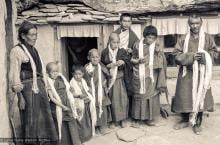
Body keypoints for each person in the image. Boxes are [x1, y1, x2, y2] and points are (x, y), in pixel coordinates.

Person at [8, 21, 58, 145]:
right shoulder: (16, 51)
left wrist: (47, 89)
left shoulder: (34, 50)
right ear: (23, 35)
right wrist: (20, 97)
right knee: (31, 120)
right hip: (27, 91)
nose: (35, 37)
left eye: (36, 34)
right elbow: (14, 75)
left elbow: (40, 71)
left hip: (38, 88)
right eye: (32, 35)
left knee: (44, 119)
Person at [172, 15, 218, 135]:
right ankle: (185, 119)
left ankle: (198, 122)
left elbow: (215, 53)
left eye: (197, 23)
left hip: (202, 73)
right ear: (189, 24)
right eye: (192, 23)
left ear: (201, 23)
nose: (195, 26)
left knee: (201, 95)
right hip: (186, 73)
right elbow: (176, 55)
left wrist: (205, 57)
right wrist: (191, 56)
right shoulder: (183, 38)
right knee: (184, 96)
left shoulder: (208, 38)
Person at [130, 25, 167, 128]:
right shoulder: (137, 45)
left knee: (151, 97)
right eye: (149, 37)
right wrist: (138, 61)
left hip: (151, 76)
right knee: (139, 97)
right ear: (144, 36)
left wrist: (158, 52)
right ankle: (137, 119)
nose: (151, 40)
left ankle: (149, 118)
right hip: (139, 75)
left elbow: (161, 60)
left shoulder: (156, 46)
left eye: (153, 38)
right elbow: (132, 59)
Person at [46, 61, 82, 145]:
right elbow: (52, 98)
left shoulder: (61, 78)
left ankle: (74, 141)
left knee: (71, 122)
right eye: (53, 72)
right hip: (58, 107)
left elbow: (68, 88)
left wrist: (74, 94)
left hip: (67, 103)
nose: (55, 74)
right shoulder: (48, 83)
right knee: (61, 124)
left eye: (57, 71)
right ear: (48, 73)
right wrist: (62, 106)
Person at [101, 32, 129, 128]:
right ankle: (114, 120)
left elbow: (128, 62)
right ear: (109, 41)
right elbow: (102, 65)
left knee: (122, 99)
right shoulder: (105, 52)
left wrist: (123, 62)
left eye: (118, 42)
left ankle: (123, 119)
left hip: (120, 79)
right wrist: (109, 66)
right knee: (112, 100)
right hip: (110, 80)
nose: (116, 44)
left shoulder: (122, 51)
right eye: (114, 42)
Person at [114, 13, 139, 117]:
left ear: (131, 23)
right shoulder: (115, 34)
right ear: (120, 22)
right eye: (124, 21)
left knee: (129, 88)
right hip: (117, 64)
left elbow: (138, 51)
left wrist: (132, 50)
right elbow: (110, 49)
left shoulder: (133, 36)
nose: (126, 23)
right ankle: (119, 115)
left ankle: (129, 114)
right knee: (118, 91)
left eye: (129, 21)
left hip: (129, 66)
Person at [84, 49, 112, 135]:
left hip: (101, 92)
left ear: (99, 58)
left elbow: (108, 75)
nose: (95, 59)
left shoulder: (101, 66)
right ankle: (95, 126)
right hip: (92, 91)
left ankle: (102, 126)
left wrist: (105, 82)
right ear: (88, 58)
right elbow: (84, 80)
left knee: (102, 107)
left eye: (97, 57)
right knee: (93, 108)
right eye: (93, 57)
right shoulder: (86, 68)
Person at [69, 65, 96, 142]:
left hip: (86, 102)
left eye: (79, 74)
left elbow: (86, 89)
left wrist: (90, 91)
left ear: (83, 74)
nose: (77, 76)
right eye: (76, 74)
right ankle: (82, 137)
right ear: (73, 74)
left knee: (88, 119)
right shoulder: (72, 83)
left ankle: (88, 135)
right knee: (81, 120)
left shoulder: (83, 81)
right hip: (79, 103)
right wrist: (78, 95)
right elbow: (72, 94)